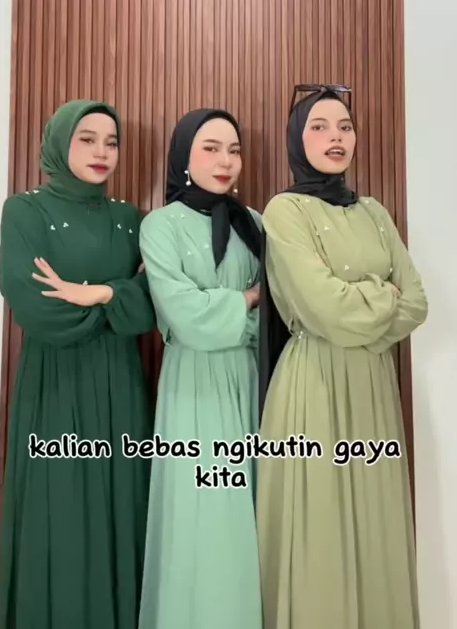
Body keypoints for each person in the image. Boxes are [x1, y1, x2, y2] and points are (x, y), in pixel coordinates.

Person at [256, 86, 428, 629]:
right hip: (314, 388)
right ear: (297, 138)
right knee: (320, 529)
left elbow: (417, 304)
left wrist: (361, 309)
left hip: (372, 388)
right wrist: (382, 297)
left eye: (345, 127)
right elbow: (322, 307)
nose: (336, 137)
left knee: (375, 522)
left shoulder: (375, 212)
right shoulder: (285, 210)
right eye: (320, 126)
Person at [0, 99, 156, 629]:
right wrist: (119, 301)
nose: (101, 151)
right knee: (57, 512)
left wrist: (98, 294)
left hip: (120, 387)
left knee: (118, 508)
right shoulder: (25, 212)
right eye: (87, 138)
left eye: (111, 141)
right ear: (60, 142)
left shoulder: (129, 219)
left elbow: (151, 306)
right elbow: (38, 310)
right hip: (55, 385)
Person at [137, 108, 263, 629]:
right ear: (184, 155)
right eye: (210, 148)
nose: (225, 160)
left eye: (233, 150)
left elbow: (278, 316)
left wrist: (229, 312)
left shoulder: (254, 223)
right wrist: (249, 299)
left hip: (249, 380)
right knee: (201, 515)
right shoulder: (159, 226)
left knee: (250, 513)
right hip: (191, 386)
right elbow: (183, 317)